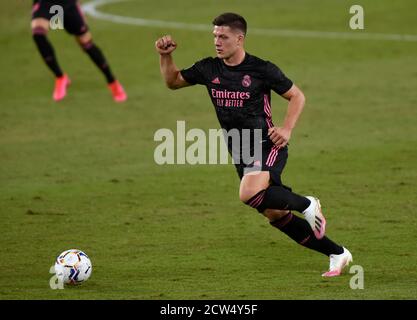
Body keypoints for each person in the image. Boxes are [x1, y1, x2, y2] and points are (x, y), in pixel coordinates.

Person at [155, 13, 353, 277]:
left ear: (239, 39)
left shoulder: (261, 69)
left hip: (267, 143)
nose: (217, 41)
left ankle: (307, 203)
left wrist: (287, 129)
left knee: (247, 193)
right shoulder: (209, 68)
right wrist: (165, 56)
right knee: (276, 214)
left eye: (223, 37)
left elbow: (296, 96)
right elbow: (173, 82)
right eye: (214, 36)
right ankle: (337, 253)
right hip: (239, 149)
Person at [31, 0, 127, 102]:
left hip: (67, 4)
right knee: (38, 34)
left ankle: (112, 81)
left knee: (87, 44)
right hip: (45, 3)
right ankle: (60, 77)